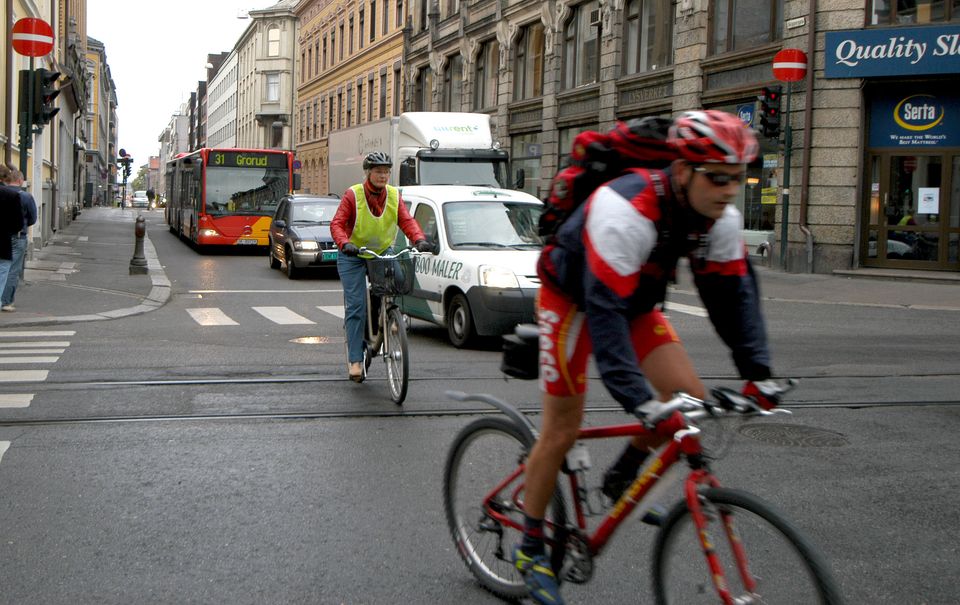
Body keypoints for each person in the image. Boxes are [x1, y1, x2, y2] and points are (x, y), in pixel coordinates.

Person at [513, 111, 786, 605]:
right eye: (718, 178)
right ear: (682, 171)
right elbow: (603, 312)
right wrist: (635, 398)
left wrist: (758, 375)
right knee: (561, 428)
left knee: (688, 400)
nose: (729, 190)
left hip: (632, 300)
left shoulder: (720, 216)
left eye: (738, 179)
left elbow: (731, 297)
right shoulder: (627, 208)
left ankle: (623, 473)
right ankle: (531, 545)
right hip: (573, 297)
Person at [330, 151, 433, 382]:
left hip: (381, 251)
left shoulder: (395, 195)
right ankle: (355, 359)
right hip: (354, 253)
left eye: (386, 171)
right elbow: (337, 223)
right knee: (356, 306)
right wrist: (344, 243)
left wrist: (419, 239)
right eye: (378, 171)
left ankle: (384, 318)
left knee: (397, 280)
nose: (383, 175)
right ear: (369, 173)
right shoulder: (353, 195)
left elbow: (406, 220)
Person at [1, 166, 38, 312]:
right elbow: (32, 218)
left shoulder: (4, 192)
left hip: (2, 235)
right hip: (17, 236)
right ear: (21, 180)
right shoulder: (25, 196)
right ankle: (6, 301)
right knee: (12, 269)